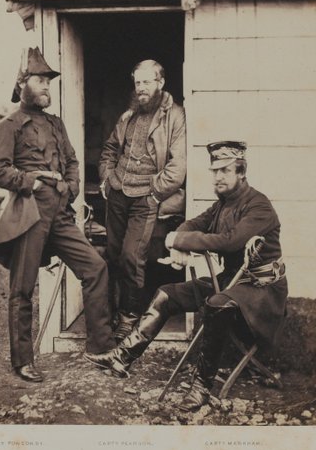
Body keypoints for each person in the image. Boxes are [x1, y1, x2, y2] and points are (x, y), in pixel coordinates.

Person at [85, 141, 288, 411]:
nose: (218, 177)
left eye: (225, 170)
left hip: (261, 291)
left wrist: (178, 240)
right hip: (231, 281)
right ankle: (122, 357)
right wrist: (178, 242)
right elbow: (193, 224)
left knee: (217, 304)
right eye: (214, 171)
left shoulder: (258, 207)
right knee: (166, 294)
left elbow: (229, 241)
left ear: (241, 172)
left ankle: (202, 387)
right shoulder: (222, 205)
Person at [0, 47, 116, 382]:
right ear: (22, 84)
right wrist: (31, 182)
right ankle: (22, 360)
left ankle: (100, 347)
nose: (46, 86)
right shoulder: (10, 126)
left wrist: (71, 187)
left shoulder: (56, 124)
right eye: (40, 80)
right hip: (30, 213)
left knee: (96, 267)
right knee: (22, 288)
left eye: (48, 80)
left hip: (60, 213)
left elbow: (72, 161)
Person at [98, 59, 187, 341]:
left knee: (132, 257)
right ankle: (112, 313)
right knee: (114, 256)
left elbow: (178, 167)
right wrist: (107, 178)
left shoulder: (175, 116)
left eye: (147, 82)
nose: (141, 88)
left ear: (161, 83)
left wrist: (154, 193)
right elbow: (110, 149)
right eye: (137, 83)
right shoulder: (129, 115)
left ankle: (129, 317)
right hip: (118, 193)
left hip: (146, 198)